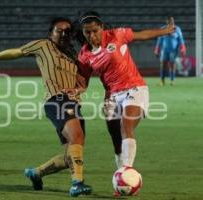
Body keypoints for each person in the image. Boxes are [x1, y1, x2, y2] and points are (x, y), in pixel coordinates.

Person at [0, 17, 91, 197]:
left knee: (71, 156)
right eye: (58, 30)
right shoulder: (43, 46)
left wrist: (80, 87)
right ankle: (77, 183)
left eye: (67, 31)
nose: (63, 34)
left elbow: (82, 83)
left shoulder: (73, 55)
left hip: (73, 103)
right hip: (57, 100)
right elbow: (17, 52)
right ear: (51, 33)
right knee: (77, 137)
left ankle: (36, 173)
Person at [73, 11, 174, 194]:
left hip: (134, 88)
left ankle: (126, 170)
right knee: (115, 138)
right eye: (87, 32)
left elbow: (142, 35)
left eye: (95, 31)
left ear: (102, 28)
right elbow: (83, 79)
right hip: (111, 96)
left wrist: (166, 31)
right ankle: (121, 172)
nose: (92, 35)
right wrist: (78, 89)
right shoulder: (85, 54)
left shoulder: (117, 35)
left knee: (125, 125)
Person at [154, 16, 186, 86]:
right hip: (164, 50)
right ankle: (162, 81)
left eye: (172, 20)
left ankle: (172, 80)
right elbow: (159, 40)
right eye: (170, 21)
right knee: (163, 65)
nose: (172, 22)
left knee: (172, 65)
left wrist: (183, 48)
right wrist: (157, 49)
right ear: (167, 21)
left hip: (173, 50)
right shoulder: (163, 29)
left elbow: (181, 39)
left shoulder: (177, 29)